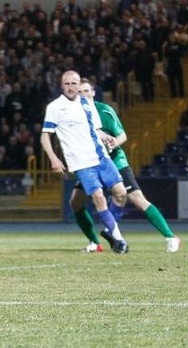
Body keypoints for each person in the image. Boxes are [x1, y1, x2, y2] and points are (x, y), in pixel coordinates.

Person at [73, 80, 181, 252]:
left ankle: (171, 236)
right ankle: (95, 242)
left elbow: (122, 135)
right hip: (90, 163)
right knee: (75, 202)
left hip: (114, 161)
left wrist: (113, 143)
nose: (83, 94)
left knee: (137, 199)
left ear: (93, 93)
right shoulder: (75, 115)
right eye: (79, 92)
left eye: (86, 90)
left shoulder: (104, 111)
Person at [40, 70, 129, 253]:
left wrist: (107, 138)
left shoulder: (87, 104)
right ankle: (119, 239)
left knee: (121, 194)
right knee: (98, 197)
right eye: (67, 84)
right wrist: (53, 158)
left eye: (74, 83)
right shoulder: (55, 107)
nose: (71, 87)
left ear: (79, 84)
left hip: (101, 157)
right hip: (81, 163)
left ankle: (109, 232)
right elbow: (45, 136)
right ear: (61, 85)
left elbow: (95, 129)